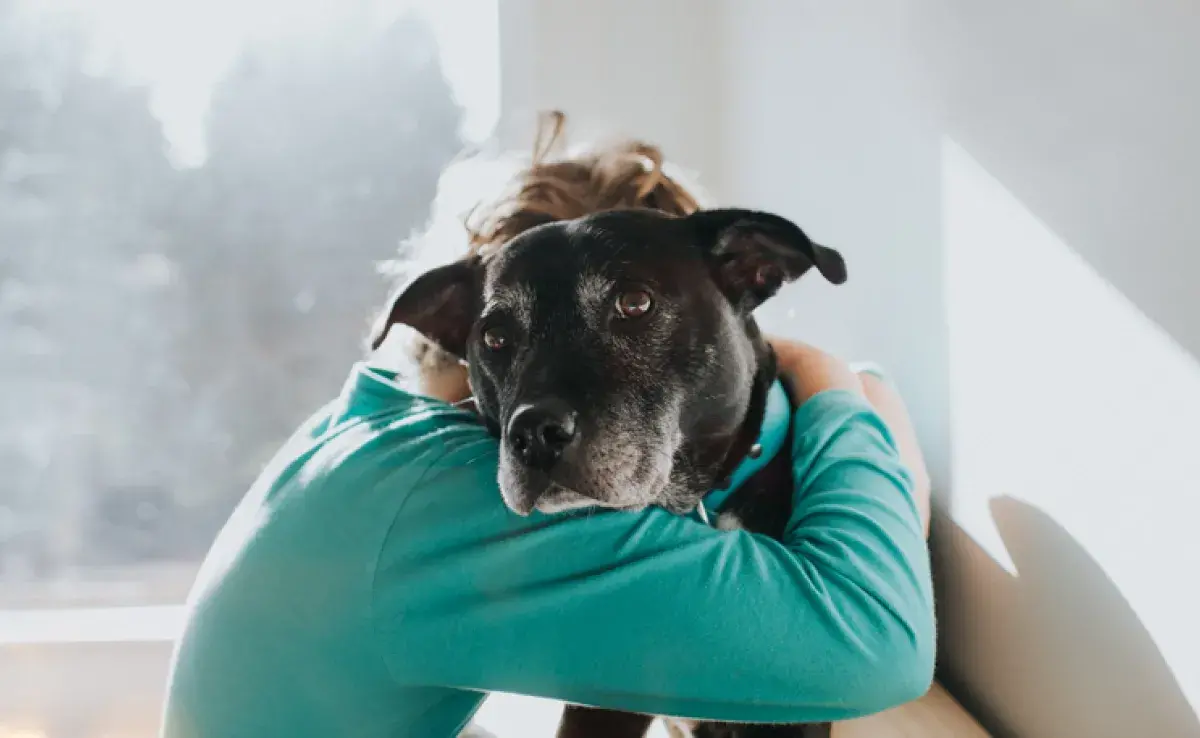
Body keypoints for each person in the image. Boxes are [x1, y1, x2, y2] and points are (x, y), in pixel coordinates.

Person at [160, 113, 935, 738]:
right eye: (503, 338)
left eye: (630, 310)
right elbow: (879, 644)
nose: (549, 394)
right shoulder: (449, 495)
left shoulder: (367, 437)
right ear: (455, 323)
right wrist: (837, 387)